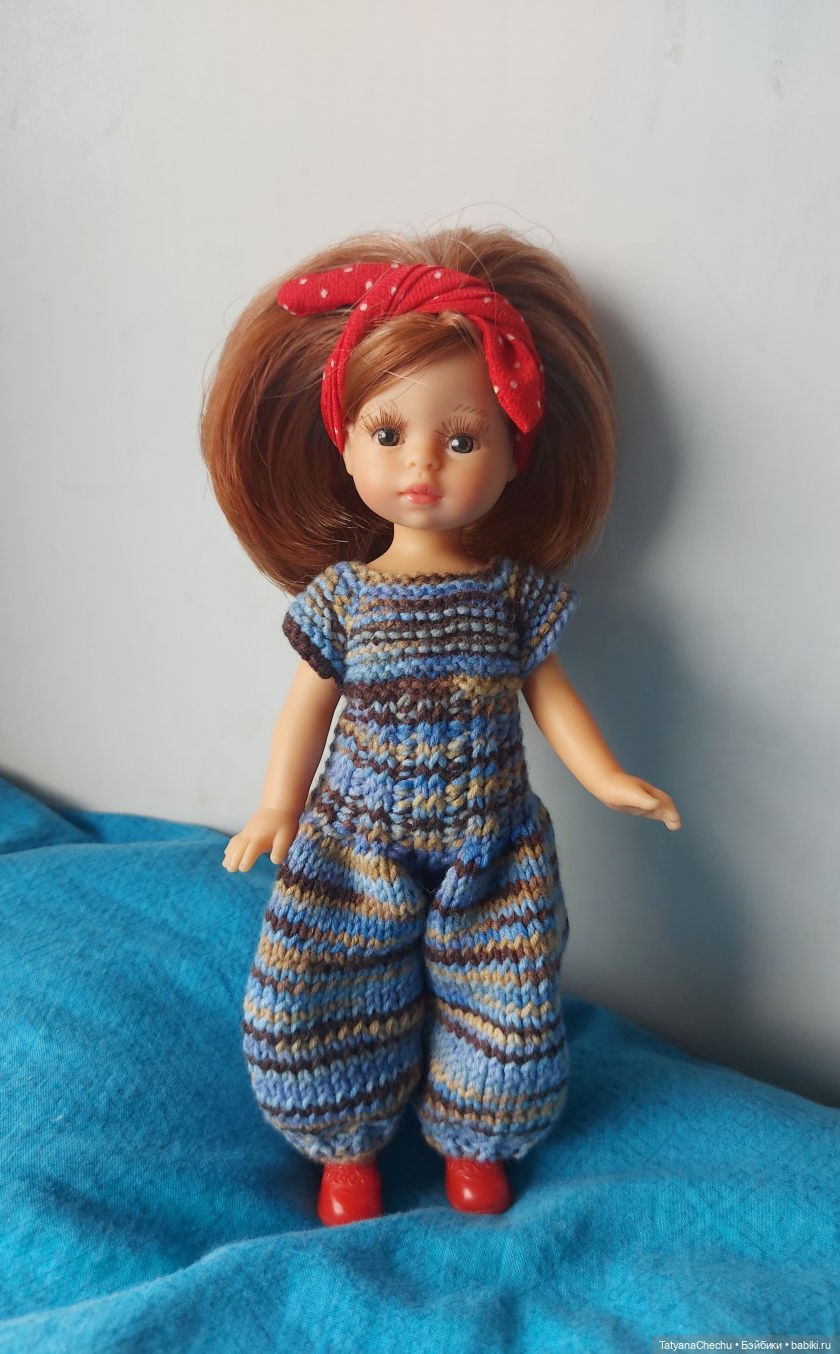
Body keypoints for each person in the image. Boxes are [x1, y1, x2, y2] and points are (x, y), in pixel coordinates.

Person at [200, 225, 681, 1227]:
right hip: (354, 839)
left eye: (461, 440)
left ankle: (475, 1140)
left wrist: (604, 776)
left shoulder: (510, 596)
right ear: (344, 442)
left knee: (505, 1000)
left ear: (511, 458)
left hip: (489, 844)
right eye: (389, 434)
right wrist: (277, 805)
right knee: (318, 987)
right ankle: (347, 1150)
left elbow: (549, 694)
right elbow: (308, 703)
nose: (422, 463)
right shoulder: (345, 598)